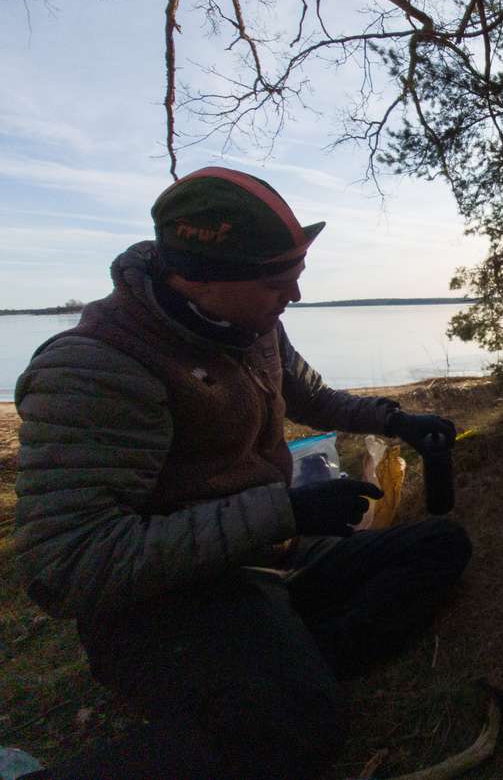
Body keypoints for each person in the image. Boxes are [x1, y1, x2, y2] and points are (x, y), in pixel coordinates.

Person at [13, 167, 473, 779]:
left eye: (297, 279)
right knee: (299, 731)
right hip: (162, 604)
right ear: (198, 277)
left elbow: (310, 395)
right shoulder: (96, 370)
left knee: (440, 547)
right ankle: (259, 688)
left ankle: (275, 664)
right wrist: (280, 512)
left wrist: (398, 420)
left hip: (265, 559)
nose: (295, 299)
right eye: (278, 284)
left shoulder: (250, 324)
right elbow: (67, 564)